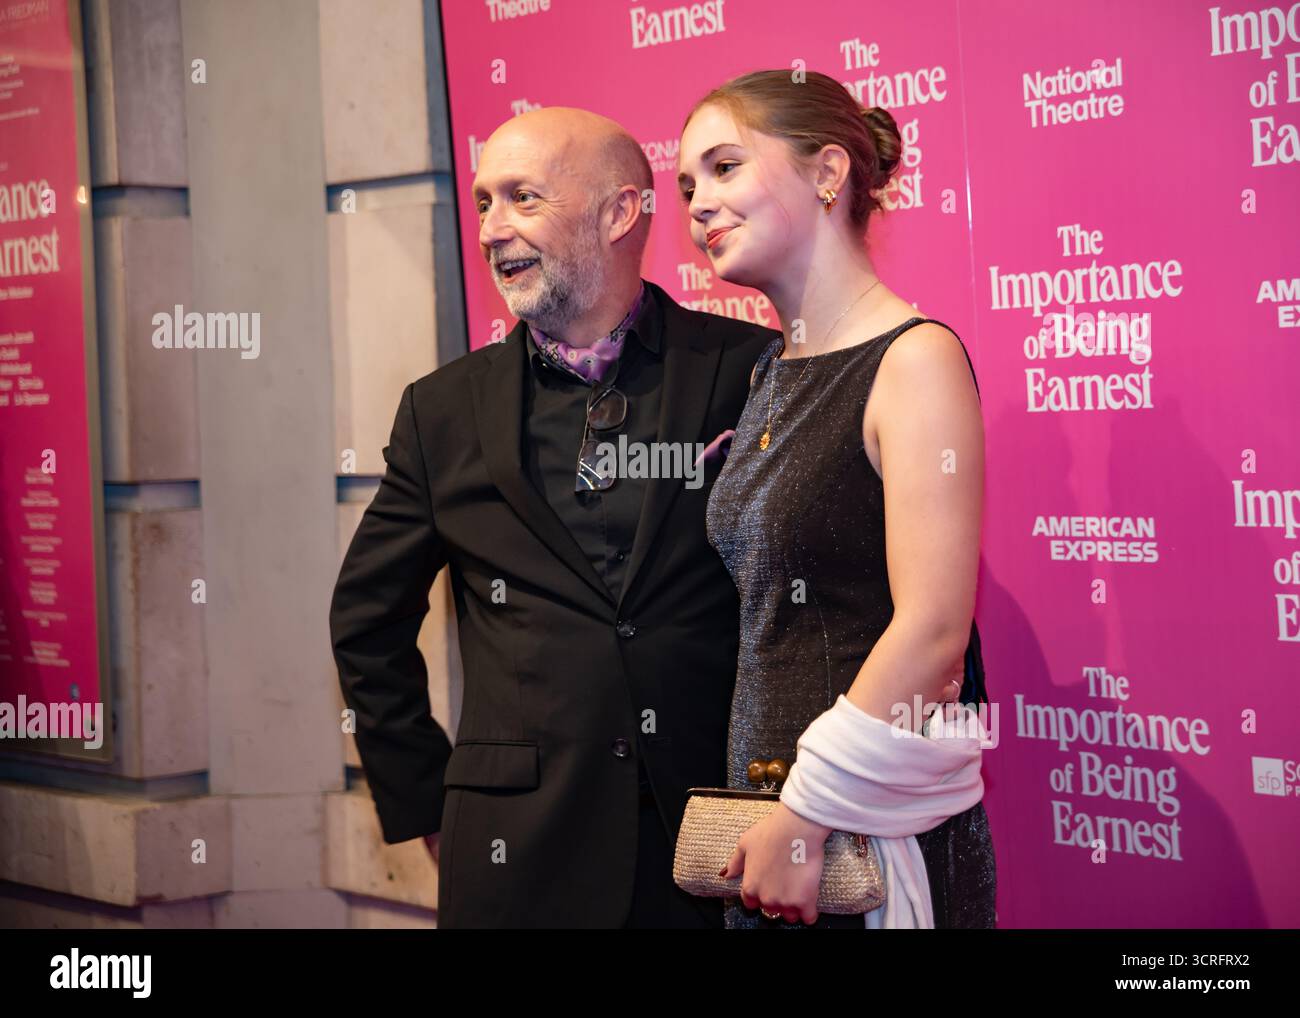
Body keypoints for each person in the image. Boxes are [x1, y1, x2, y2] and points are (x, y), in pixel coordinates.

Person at [329, 106, 780, 927]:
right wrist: (430, 798)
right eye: (483, 204)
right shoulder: (442, 411)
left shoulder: (746, 371)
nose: (494, 229)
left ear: (618, 212)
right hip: (516, 852)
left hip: (714, 841)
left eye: (522, 199)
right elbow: (367, 618)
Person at [675, 69, 996, 929]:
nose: (699, 202)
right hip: (772, 833)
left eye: (725, 166)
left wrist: (806, 812)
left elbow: (934, 635)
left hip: (860, 839)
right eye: (686, 185)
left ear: (827, 175)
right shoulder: (768, 377)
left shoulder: (914, 360)